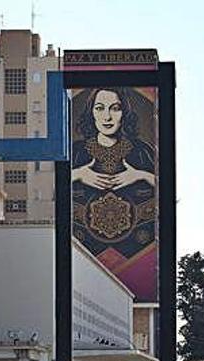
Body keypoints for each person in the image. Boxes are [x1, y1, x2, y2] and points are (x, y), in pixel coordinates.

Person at [70, 87, 157, 301]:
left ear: (124, 113)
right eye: (100, 108)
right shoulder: (76, 151)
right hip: (84, 248)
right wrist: (79, 174)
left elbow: (166, 190)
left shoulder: (142, 151)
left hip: (135, 248)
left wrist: (140, 175)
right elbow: (52, 190)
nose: (107, 116)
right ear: (91, 112)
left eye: (115, 108)